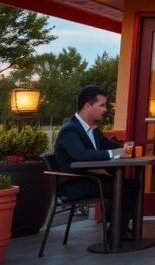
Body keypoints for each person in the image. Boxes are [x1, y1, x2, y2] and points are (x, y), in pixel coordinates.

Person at [54, 85, 139, 240]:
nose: (105, 109)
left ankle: (118, 230)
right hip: (74, 184)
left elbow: (111, 146)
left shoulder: (92, 130)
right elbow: (81, 155)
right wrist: (113, 153)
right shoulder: (70, 130)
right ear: (87, 106)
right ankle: (116, 233)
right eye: (101, 105)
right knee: (122, 187)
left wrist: (127, 148)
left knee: (131, 185)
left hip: (90, 179)